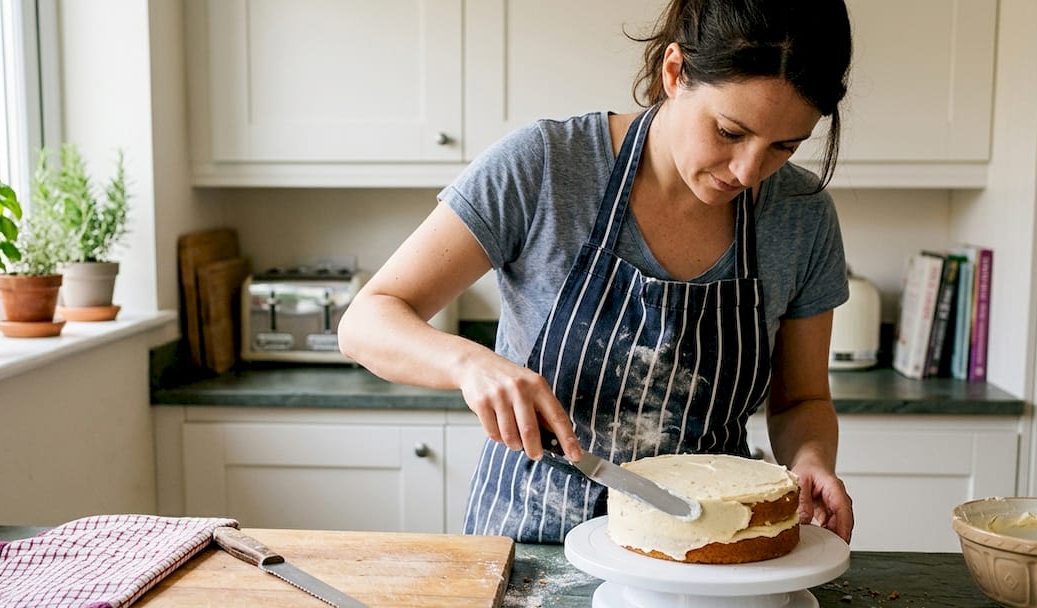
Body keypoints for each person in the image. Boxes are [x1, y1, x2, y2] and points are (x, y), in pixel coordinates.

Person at [338, 0, 855, 545]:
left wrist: (812, 460)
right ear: (675, 72)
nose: (748, 171)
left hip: (705, 552)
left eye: (783, 146)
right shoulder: (545, 167)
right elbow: (367, 321)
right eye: (729, 132)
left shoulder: (801, 213)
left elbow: (801, 400)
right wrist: (470, 364)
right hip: (531, 546)